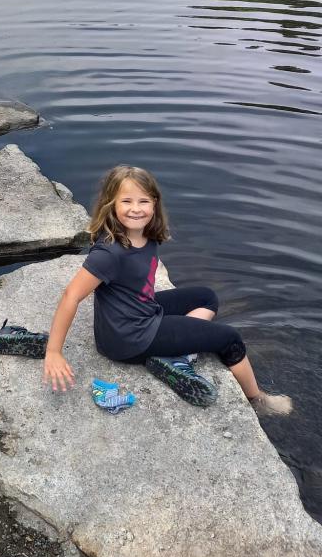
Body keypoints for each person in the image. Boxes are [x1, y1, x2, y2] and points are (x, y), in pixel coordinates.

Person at [43, 165, 293, 417]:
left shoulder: (146, 235)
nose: (136, 208)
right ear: (111, 204)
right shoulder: (109, 252)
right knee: (230, 339)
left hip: (141, 313)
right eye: (126, 201)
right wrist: (53, 352)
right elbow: (71, 295)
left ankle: (177, 355)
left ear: (154, 203)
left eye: (143, 201)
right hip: (129, 339)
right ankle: (257, 400)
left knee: (206, 297)